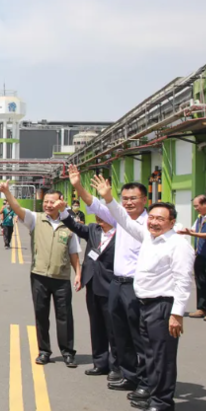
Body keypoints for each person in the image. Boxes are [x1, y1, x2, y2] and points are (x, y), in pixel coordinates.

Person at [96, 177, 193, 411]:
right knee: (150, 354)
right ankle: (153, 394)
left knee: (162, 357)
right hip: (146, 304)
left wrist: (177, 314)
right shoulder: (148, 237)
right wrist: (108, 197)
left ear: (172, 222)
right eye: (152, 218)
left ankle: (162, 404)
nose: (154, 222)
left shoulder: (178, 245)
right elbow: (123, 219)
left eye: (161, 219)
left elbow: (183, 282)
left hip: (163, 306)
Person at [68, 164, 148, 397]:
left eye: (134, 198)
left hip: (136, 286)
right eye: (125, 199)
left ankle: (145, 381)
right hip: (116, 284)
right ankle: (129, 374)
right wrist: (78, 186)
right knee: (119, 333)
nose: (129, 202)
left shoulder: (148, 222)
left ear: (144, 199)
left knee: (138, 335)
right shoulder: (118, 218)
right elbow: (95, 205)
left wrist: (109, 199)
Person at [0, 181, 81, 367]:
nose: (48, 205)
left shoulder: (69, 224)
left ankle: (68, 352)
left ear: (61, 202)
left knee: (64, 316)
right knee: (41, 314)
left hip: (61, 277)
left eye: (52, 202)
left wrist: (78, 274)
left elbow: (73, 252)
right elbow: (18, 208)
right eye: (45, 201)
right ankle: (44, 351)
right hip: (39, 276)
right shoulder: (36, 219)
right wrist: (6, 192)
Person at [59, 206, 121, 380]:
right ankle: (100, 363)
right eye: (98, 215)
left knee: (114, 329)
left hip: (111, 287)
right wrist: (63, 211)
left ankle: (117, 367)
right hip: (93, 284)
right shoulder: (94, 229)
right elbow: (74, 226)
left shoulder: (123, 234)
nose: (99, 218)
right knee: (96, 326)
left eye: (103, 215)